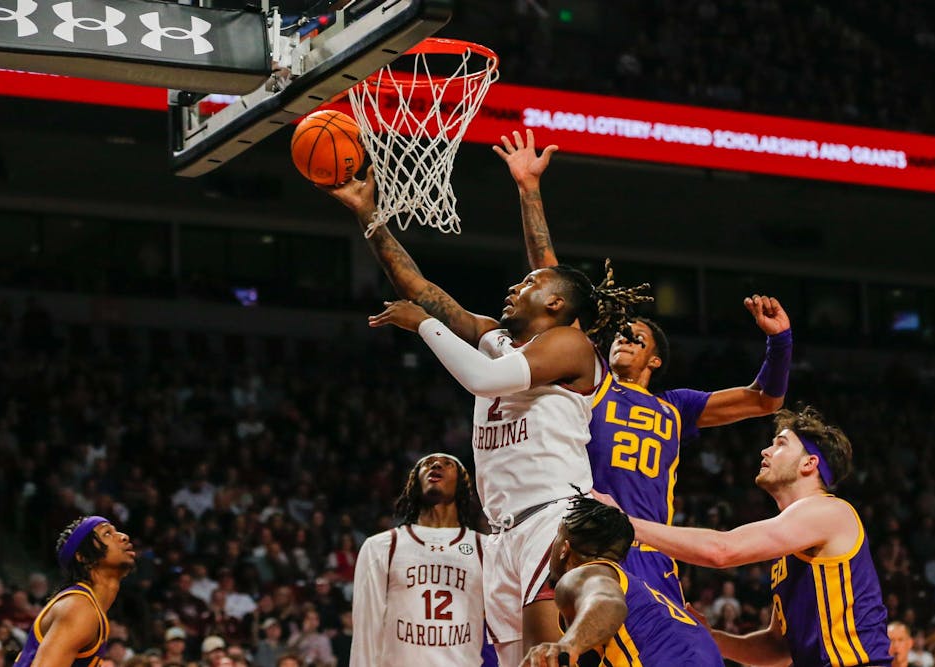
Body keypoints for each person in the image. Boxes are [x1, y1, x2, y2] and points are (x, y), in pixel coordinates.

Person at [323, 168, 650, 664]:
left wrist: (427, 326)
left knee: (548, 655)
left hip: (551, 514)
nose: (515, 287)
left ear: (555, 302)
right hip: (499, 533)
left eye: (529, 282)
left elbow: (481, 379)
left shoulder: (570, 344)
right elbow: (417, 285)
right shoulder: (494, 337)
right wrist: (369, 214)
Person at [496, 128, 793, 605]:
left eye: (637, 338)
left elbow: (766, 400)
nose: (622, 339)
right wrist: (529, 191)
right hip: (588, 537)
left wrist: (780, 343)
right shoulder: (587, 376)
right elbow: (552, 284)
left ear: (656, 359)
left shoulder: (677, 408)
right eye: (619, 333)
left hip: (653, 546)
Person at [606, 406, 892, 667]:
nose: (765, 451)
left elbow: (722, 550)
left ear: (809, 464)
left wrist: (625, 523)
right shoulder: (792, 544)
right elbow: (777, 648)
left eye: (780, 444)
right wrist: (712, 637)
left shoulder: (829, 512)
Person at [521, 495, 722, 666]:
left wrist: (568, 646)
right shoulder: (645, 595)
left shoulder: (584, 575)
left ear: (564, 548)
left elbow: (607, 602)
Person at [351, 454, 485, 667]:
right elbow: (366, 634)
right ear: (414, 483)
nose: (436, 464)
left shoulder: (485, 548)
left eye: (447, 463)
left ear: (462, 483)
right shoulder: (382, 547)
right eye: (427, 464)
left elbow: (505, 627)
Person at [14, 515, 136, 666]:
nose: (124, 537)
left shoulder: (90, 608)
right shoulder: (79, 607)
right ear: (84, 557)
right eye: (107, 534)